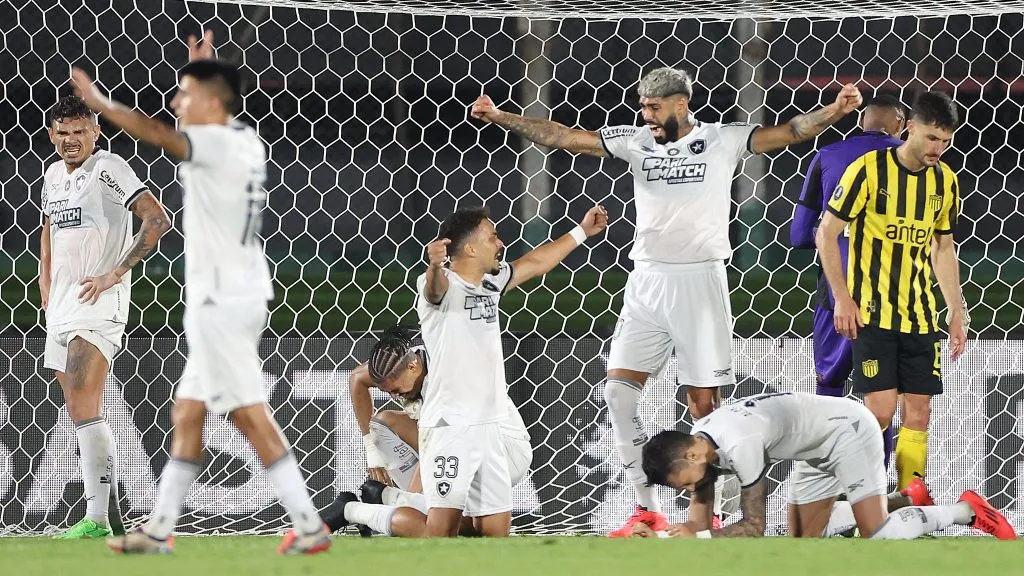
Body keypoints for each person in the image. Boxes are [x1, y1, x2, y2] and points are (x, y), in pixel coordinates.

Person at [471, 67, 863, 535]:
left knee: (704, 408)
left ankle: (711, 509)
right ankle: (646, 508)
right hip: (647, 283)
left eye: (654, 107)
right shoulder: (635, 141)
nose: (646, 114)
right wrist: (499, 117)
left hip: (701, 283)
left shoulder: (723, 139)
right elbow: (561, 136)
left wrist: (836, 111)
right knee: (617, 394)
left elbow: (793, 131)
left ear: (681, 104)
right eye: (642, 106)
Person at [71, 30, 329, 555]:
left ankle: (309, 524)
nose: (175, 103)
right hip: (234, 295)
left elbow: (162, 134)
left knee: (248, 414)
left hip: (223, 302)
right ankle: (160, 530)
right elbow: (194, 127)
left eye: (185, 94)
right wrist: (201, 69)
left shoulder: (211, 142)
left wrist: (102, 104)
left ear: (213, 101)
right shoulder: (244, 139)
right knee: (187, 412)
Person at [416, 204, 607, 537]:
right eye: (492, 237)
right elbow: (434, 290)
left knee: (495, 534)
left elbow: (535, 262)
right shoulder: (440, 284)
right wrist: (434, 266)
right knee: (440, 534)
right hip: (451, 426)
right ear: (471, 248)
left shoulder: (492, 281)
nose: (500, 243)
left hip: (491, 426)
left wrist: (582, 231)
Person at [816, 91, 968, 493]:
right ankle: (855, 498)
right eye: (933, 138)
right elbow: (825, 234)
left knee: (919, 413)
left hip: (920, 315)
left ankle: (909, 500)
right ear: (911, 128)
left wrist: (956, 309)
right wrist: (842, 298)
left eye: (947, 141)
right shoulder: (869, 169)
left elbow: (942, 246)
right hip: (873, 313)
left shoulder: (944, 181)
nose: (939, 148)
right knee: (878, 413)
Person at [40, 95, 171, 539]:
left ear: (95, 132)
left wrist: (115, 273)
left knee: (83, 402)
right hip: (59, 306)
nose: (71, 140)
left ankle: (96, 518)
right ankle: (110, 516)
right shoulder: (53, 176)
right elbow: (48, 232)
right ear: (52, 135)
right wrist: (45, 288)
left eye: (80, 131)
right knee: (79, 413)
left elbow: (157, 219)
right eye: (63, 133)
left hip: (97, 304)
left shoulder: (108, 168)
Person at [637, 392, 1016, 540]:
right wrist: (661, 541)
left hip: (848, 430)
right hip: (814, 449)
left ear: (691, 456)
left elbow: (753, 529)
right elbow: (699, 525)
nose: (684, 490)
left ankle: (964, 511)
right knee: (802, 543)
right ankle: (904, 498)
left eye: (680, 484)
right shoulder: (702, 443)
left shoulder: (740, 442)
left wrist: (690, 538)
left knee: (878, 535)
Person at [790, 94, 906, 473]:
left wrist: (838, 237)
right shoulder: (912, 159)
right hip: (893, 290)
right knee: (883, 393)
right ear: (901, 126)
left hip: (835, 290)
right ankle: (877, 487)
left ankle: (826, 489)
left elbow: (799, 234)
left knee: (830, 385)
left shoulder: (828, 155)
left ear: (862, 123)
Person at [329, 324, 532, 534]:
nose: (396, 396)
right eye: (388, 392)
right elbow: (358, 378)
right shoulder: (399, 364)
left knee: (459, 527)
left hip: (505, 453)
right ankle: (388, 501)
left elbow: (433, 448)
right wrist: (371, 451)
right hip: (460, 445)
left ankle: (376, 504)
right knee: (383, 425)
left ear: (412, 367)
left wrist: (410, 503)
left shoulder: (443, 387)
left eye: (397, 390)